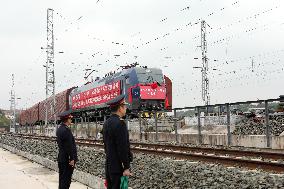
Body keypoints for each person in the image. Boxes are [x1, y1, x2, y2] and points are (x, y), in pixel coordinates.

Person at [103, 94, 133, 189]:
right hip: (118, 167)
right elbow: (122, 148)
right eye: (124, 106)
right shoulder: (120, 124)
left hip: (109, 166)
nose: (125, 109)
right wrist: (126, 167)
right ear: (120, 108)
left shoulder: (106, 123)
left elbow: (106, 146)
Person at [56, 110, 78, 189]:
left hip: (61, 158)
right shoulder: (66, 130)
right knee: (66, 181)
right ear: (67, 119)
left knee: (62, 179)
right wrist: (71, 158)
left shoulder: (59, 129)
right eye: (70, 119)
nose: (71, 120)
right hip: (67, 160)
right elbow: (69, 146)